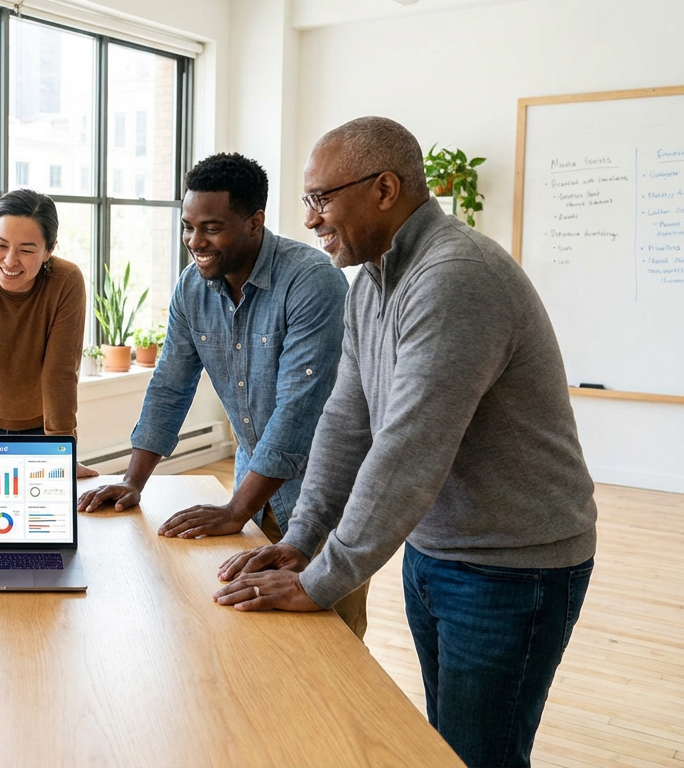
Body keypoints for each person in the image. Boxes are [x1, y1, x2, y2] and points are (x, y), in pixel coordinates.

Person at [217, 117, 597, 768]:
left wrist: (324, 579)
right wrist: (300, 540)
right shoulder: (373, 281)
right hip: (437, 552)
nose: (309, 220)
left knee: (478, 754)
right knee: (441, 744)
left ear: (385, 189)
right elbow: (345, 418)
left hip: (514, 567)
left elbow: (407, 448)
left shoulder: (454, 276)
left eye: (320, 198)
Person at [76, 153, 367, 637]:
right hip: (253, 488)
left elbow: (298, 408)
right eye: (188, 226)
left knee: (331, 642)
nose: (195, 242)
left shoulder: (312, 280)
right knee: (252, 633)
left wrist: (235, 510)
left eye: (211, 228)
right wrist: (133, 481)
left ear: (255, 222)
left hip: (325, 499)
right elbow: (170, 384)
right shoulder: (193, 286)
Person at [0, 189, 97, 477]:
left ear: (49, 250)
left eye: (26, 250)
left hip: (44, 430)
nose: (10, 261)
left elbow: (60, 373)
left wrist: (63, 450)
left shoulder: (66, 281)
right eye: (0, 245)